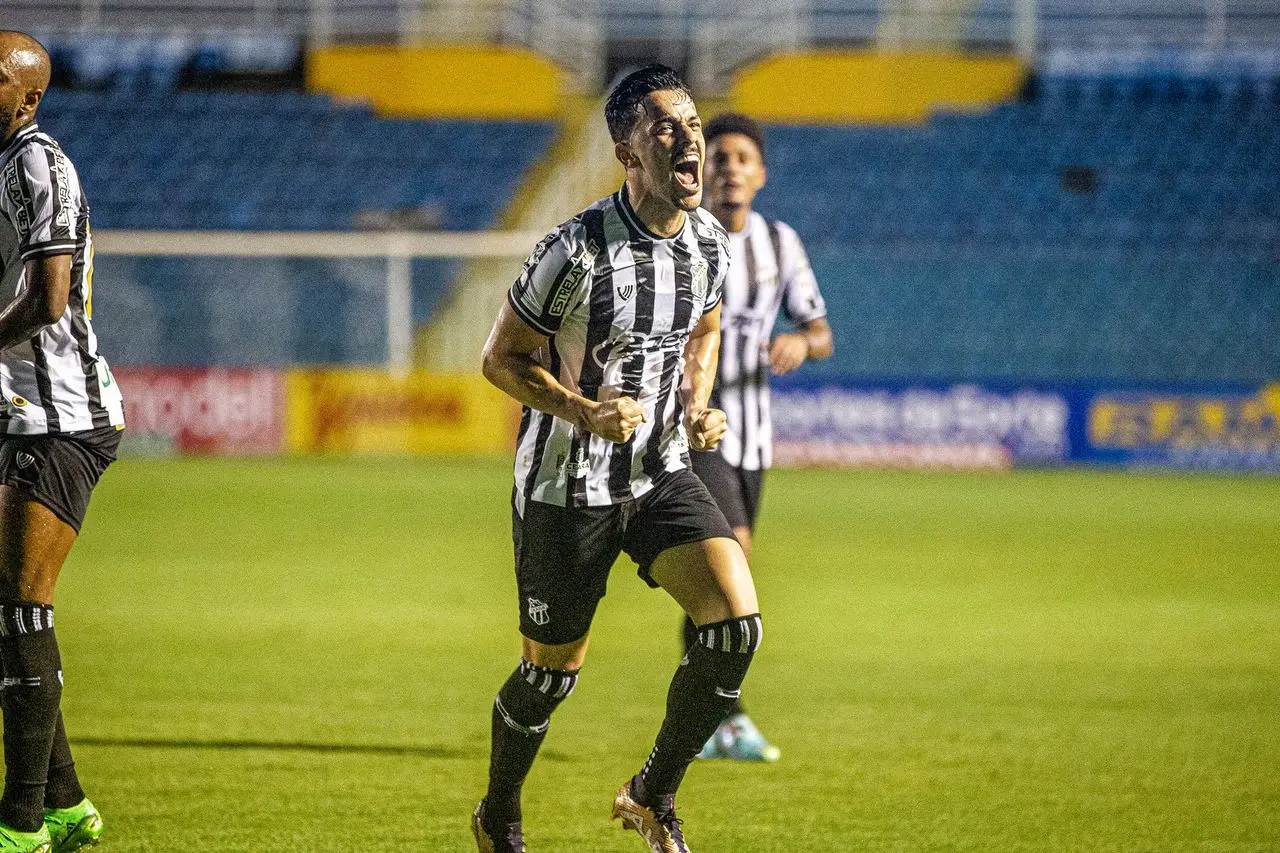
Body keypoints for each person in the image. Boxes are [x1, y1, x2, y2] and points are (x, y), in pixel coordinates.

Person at [473, 64, 761, 853]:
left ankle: (651, 794)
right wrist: (585, 411)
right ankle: (498, 813)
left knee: (735, 627)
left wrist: (696, 403)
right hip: (567, 486)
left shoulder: (708, 244)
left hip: (660, 471)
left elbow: (704, 330)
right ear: (628, 152)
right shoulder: (574, 251)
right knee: (548, 677)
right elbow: (500, 359)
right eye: (666, 126)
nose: (689, 138)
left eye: (693, 122)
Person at [0, 31, 124, 853]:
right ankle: (68, 805)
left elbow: (49, 299)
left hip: (62, 415)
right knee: (10, 610)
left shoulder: (38, 163)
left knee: (21, 603)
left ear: (28, 98)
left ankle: (20, 823)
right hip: (24, 411)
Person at [686, 113, 832, 763]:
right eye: (718, 157)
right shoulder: (684, 237)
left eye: (742, 158)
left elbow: (822, 333)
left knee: (716, 577)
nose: (730, 168)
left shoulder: (780, 242)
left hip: (755, 437)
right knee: (732, 560)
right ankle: (728, 715)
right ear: (701, 170)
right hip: (698, 426)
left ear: (761, 174)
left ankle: (702, 716)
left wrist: (800, 341)